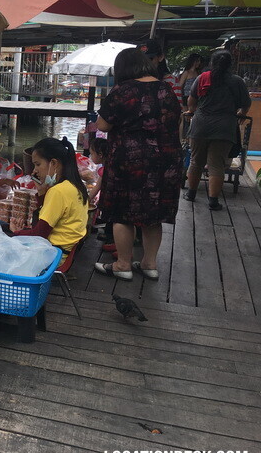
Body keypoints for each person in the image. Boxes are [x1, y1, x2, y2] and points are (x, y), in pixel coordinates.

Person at [94, 48, 182, 281]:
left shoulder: (123, 90)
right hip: (166, 161)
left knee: (122, 213)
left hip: (130, 161)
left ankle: (123, 264)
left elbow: (102, 126)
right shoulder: (166, 88)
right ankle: (149, 264)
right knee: (153, 214)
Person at [0, 137, 89, 260]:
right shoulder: (75, 186)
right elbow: (42, 223)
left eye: (38, 164)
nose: (35, 170)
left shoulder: (58, 191)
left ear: (54, 163)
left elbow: (39, 234)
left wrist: (15, 234)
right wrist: (41, 191)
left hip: (47, 254)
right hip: (53, 247)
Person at [184, 50, 251, 210]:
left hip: (200, 125)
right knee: (217, 165)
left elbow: (191, 101)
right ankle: (213, 201)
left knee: (195, 161)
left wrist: (192, 111)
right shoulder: (237, 81)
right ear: (230, 65)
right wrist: (241, 114)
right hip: (224, 127)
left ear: (212, 63)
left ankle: (191, 194)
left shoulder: (203, 78)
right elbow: (246, 104)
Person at [139, 39, 181, 107]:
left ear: (160, 57)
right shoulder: (130, 80)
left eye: (150, 59)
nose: (145, 64)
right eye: (140, 60)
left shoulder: (171, 80)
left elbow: (178, 108)